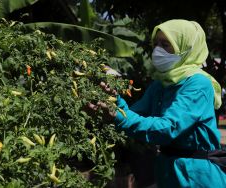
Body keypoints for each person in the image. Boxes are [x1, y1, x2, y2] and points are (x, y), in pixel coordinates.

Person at [87, 19, 226, 187]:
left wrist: (118, 116)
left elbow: (168, 128)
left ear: (185, 47)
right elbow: (136, 115)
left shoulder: (197, 84)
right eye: (155, 44)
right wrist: (113, 99)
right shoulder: (160, 84)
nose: (157, 50)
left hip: (196, 175)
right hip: (168, 171)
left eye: (165, 44)